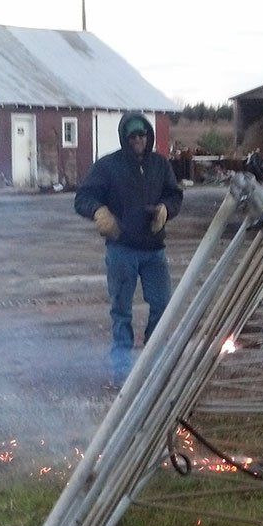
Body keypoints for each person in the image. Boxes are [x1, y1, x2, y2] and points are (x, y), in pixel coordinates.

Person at [75, 113, 183, 387]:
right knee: (121, 311)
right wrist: (99, 211)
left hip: (154, 250)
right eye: (133, 135)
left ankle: (152, 361)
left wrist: (165, 209)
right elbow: (83, 197)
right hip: (121, 250)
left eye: (143, 135)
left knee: (161, 305)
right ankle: (122, 372)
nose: (138, 140)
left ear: (149, 137)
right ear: (125, 137)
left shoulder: (160, 165)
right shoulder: (108, 167)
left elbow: (175, 195)